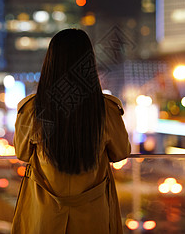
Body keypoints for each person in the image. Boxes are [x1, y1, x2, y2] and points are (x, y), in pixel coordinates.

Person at [12, 28, 131, 234]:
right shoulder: (106, 109)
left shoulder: (33, 109)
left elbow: (22, 154)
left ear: (50, 62)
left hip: (45, 215)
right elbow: (120, 153)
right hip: (93, 216)